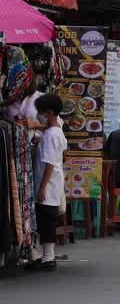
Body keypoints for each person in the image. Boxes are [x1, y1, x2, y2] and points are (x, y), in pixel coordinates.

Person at [28, 94, 66, 271]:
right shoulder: (55, 131)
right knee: (46, 218)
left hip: (48, 183)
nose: (38, 115)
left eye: (40, 112)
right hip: (52, 181)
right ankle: (45, 256)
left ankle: (48, 257)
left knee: (46, 219)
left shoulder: (51, 135)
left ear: (49, 112)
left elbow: (50, 163)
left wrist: (42, 188)